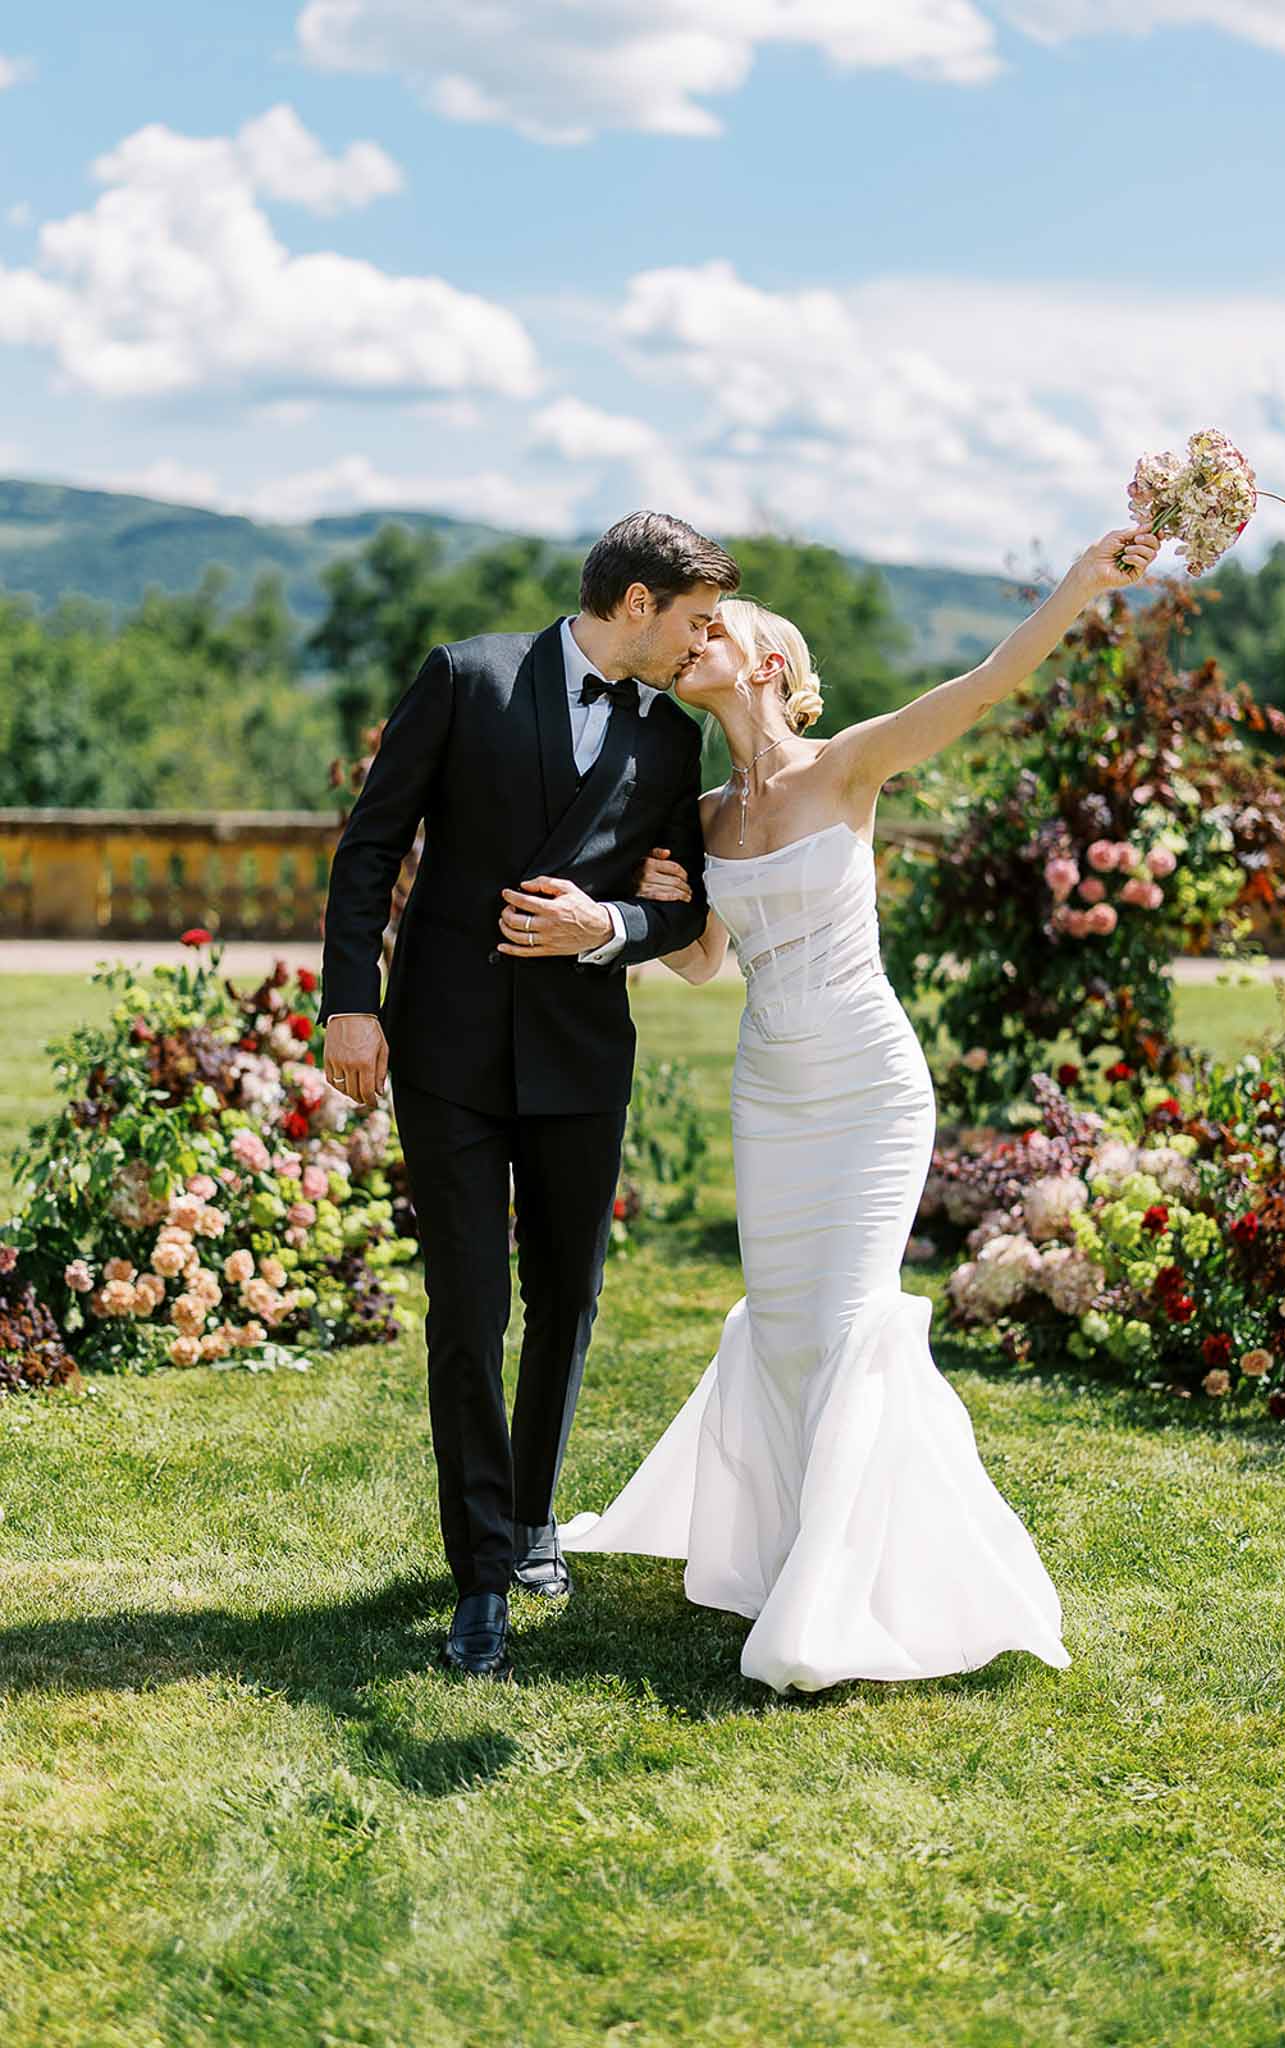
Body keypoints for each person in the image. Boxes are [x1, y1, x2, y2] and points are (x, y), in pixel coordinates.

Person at [559, 521, 1162, 1694]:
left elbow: (986, 684)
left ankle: (847, 1597)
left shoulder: (848, 766)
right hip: (768, 1091)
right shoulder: (704, 813)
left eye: (714, 628)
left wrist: (1084, 581)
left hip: (869, 1088)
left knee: (848, 1324)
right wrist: (646, 902)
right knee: (785, 1330)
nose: (693, 640)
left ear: (769, 663)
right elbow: (702, 967)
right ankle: (792, 1550)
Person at [317, 512, 740, 1681]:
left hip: (578, 1052)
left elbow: (687, 911)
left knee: (568, 1294)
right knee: (468, 1309)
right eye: (695, 619)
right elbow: (370, 845)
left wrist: (605, 925)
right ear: (638, 602)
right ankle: (480, 1576)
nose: (703, 641)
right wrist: (350, 1000)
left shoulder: (668, 737)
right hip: (447, 1048)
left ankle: (537, 1513)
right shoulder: (465, 676)